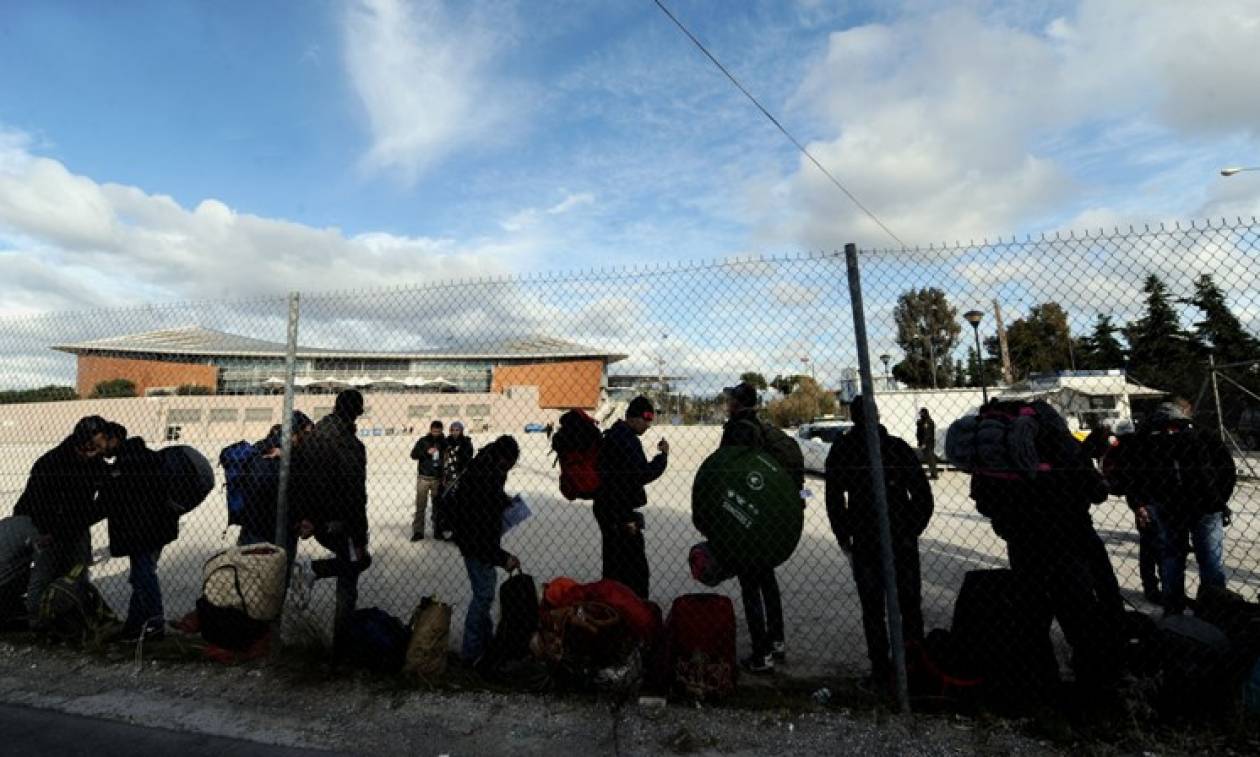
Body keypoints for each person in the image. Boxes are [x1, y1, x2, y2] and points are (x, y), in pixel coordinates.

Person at [967, 399, 1122, 693]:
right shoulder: (1058, 441)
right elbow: (1096, 491)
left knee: (1033, 616)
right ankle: (1095, 688)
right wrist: (1087, 456)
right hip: (1068, 539)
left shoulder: (1002, 450)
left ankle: (1040, 685)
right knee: (1079, 614)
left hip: (1022, 541)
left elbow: (984, 498)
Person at [826, 396, 933, 686]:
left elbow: (834, 497)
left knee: (873, 608)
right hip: (900, 536)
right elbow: (923, 495)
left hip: (865, 537)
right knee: (909, 605)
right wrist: (911, 528)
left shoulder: (844, 449)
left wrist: (844, 534)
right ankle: (913, 667)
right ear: (878, 415)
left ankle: (881, 670)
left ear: (852, 417)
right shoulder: (897, 447)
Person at [1125, 401, 1236, 616]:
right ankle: (1211, 611)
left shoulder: (1148, 442)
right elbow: (1227, 471)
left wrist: (1141, 503)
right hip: (1194, 508)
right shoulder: (1202, 437)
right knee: (1202, 560)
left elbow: (1135, 478)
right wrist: (1218, 500)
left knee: (1178, 559)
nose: (1170, 432)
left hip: (1180, 508)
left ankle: (1181, 610)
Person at [718, 381, 796, 673]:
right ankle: (777, 642)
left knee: (750, 585)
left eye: (730, 399)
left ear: (738, 402)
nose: (727, 403)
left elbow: (728, 471)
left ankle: (761, 655)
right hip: (764, 514)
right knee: (767, 580)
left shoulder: (739, 429)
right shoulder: (761, 428)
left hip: (746, 517)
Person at [291, 390, 371, 657]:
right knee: (355, 565)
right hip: (339, 522)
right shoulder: (350, 445)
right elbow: (354, 495)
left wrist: (305, 517)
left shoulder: (313, 436)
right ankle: (342, 644)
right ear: (357, 412)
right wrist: (359, 538)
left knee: (352, 564)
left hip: (314, 520)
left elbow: (300, 478)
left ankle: (315, 571)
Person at [13, 416, 109, 622]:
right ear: (81, 443)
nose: (97, 451)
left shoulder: (95, 463)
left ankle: (73, 616)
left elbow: (106, 492)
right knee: (44, 573)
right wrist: (49, 532)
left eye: (100, 447)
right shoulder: (52, 462)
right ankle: (38, 620)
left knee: (77, 572)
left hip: (76, 524)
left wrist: (88, 517)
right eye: (93, 446)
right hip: (46, 525)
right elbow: (36, 503)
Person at [100, 430, 179, 642]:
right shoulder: (148, 457)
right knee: (141, 576)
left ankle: (154, 624)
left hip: (141, 530)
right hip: (158, 528)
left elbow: (108, 501)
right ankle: (135, 626)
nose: (101, 449)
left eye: (104, 442)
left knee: (144, 576)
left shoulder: (126, 464)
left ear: (114, 438)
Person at [451, 436, 522, 664]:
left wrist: (503, 500)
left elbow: (489, 499)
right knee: (483, 596)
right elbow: (479, 535)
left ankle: (485, 642)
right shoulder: (485, 476)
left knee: (485, 593)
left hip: (476, 539)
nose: (509, 470)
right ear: (503, 459)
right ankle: (470, 654)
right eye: (509, 465)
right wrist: (503, 558)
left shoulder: (488, 466)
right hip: (475, 542)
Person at [593, 396, 668, 600]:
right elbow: (643, 473)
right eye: (646, 418)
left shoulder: (614, 435)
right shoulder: (627, 439)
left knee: (613, 563)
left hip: (606, 507)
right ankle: (636, 607)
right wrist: (662, 457)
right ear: (633, 417)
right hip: (620, 511)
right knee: (636, 568)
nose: (648, 424)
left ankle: (612, 604)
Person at [237, 412, 316, 567]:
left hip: (251, 527)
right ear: (296, 432)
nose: (307, 439)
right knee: (278, 579)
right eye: (306, 434)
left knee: (249, 578)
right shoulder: (297, 458)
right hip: (281, 529)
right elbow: (300, 492)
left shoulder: (259, 448)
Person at [436, 421, 476, 540]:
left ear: (461, 431)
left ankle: (457, 532)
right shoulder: (445, 442)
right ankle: (440, 530)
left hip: (459, 478)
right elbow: (440, 457)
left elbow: (468, 459)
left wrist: (458, 453)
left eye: (457, 430)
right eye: (452, 430)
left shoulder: (466, 443)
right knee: (443, 504)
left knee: (457, 505)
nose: (454, 432)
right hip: (446, 478)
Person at [410, 420, 447, 541]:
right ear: (430, 430)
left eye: (438, 431)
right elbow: (413, 455)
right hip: (423, 478)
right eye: (434, 431)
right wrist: (426, 452)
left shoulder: (444, 442)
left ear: (442, 430)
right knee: (420, 506)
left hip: (437, 479)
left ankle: (438, 531)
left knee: (438, 507)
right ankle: (418, 532)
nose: (436, 433)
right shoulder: (423, 441)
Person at [916, 409, 939, 480]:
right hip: (925, 443)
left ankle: (934, 474)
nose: (920, 415)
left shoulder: (928, 422)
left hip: (928, 444)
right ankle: (933, 473)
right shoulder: (923, 422)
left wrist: (924, 443)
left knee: (930, 459)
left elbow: (927, 434)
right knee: (929, 459)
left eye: (921, 413)